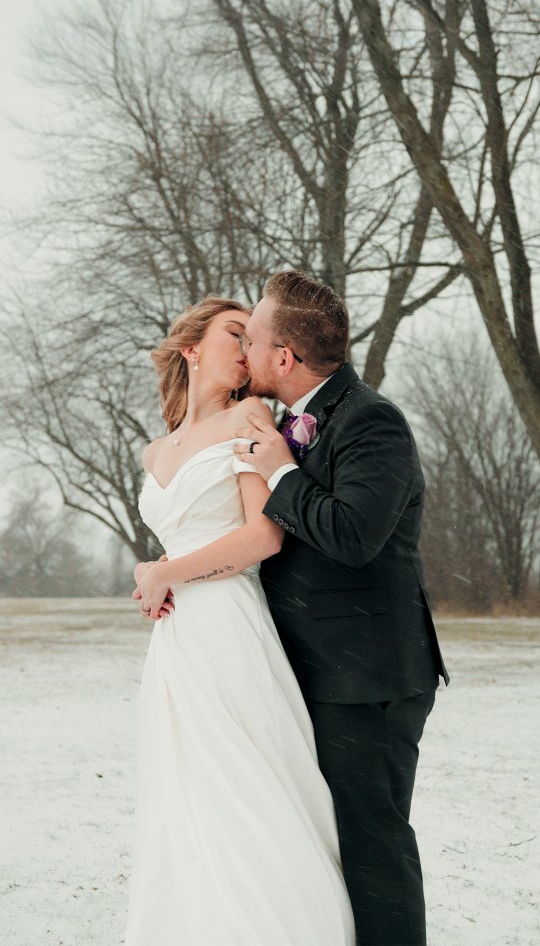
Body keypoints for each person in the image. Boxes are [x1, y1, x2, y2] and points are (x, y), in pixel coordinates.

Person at [125, 295, 355, 946]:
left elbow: (263, 538)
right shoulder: (154, 451)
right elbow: (181, 542)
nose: (248, 345)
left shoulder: (250, 418)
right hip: (176, 646)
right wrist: (158, 573)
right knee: (187, 802)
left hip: (230, 627)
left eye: (253, 336)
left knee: (247, 792)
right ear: (191, 348)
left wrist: (165, 573)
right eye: (235, 333)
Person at [232, 270, 450, 946]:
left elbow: (355, 537)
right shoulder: (286, 421)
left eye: (253, 340)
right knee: (324, 842)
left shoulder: (371, 421)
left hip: (370, 682)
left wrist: (282, 472)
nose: (245, 353)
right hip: (316, 675)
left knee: (373, 843)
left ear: (284, 358)